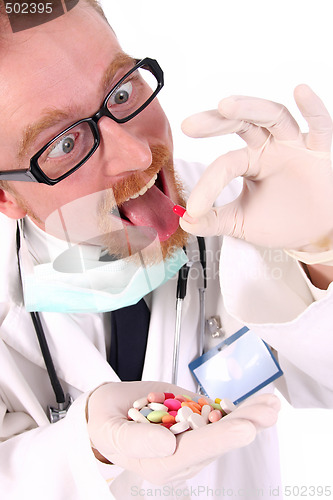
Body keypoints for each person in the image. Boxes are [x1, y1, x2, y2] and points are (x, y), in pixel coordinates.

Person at [0, 1, 331, 499]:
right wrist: (89, 447)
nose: (136, 153)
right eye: (64, 143)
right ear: (6, 195)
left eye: (122, 91)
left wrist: (322, 253)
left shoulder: (243, 209)